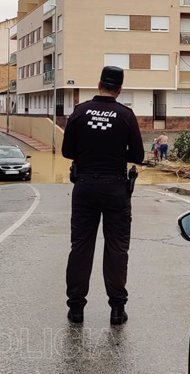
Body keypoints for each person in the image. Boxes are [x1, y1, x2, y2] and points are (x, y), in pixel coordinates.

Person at [62, 66, 145, 326]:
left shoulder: (80, 111)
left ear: (98, 83)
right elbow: (138, 155)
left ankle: (76, 309)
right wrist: (118, 152)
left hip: (84, 186)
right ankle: (117, 309)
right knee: (117, 249)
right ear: (119, 89)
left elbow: (67, 151)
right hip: (116, 189)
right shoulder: (126, 116)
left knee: (81, 247)